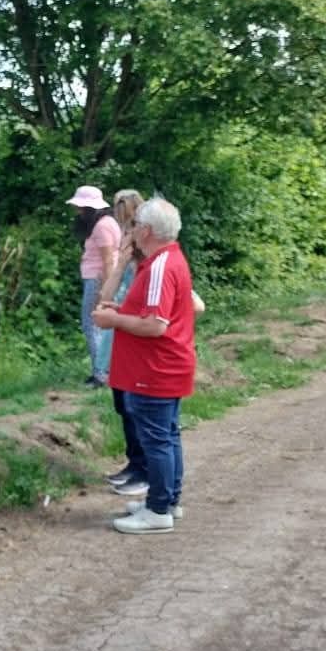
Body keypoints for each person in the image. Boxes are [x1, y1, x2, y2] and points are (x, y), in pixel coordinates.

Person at [91, 197, 197, 534]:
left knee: (157, 439)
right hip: (163, 366)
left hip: (155, 369)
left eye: (135, 224)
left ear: (147, 230)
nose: (131, 229)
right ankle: (167, 499)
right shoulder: (164, 261)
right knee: (166, 435)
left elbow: (155, 325)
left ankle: (158, 511)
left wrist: (114, 319)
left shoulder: (161, 266)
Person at [99, 188, 146, 492]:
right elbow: (108, 294)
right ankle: (134, 462)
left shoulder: (150, 263)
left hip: (133, 332)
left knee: (134, 406)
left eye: (129, 222)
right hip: (118, 328)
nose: (125, 229)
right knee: (122, 402)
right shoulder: (127, 256)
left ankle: (143, 469)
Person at [67, 184, 121, 387]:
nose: (77, 211)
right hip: (100, 277)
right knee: (100, 326)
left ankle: (101, 374)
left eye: (80, 207)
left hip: (97, 279)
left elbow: (108, 260)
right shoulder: (107, 223)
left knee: (91, 324)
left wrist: (103, 292)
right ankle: (104, 370)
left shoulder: (102, 226)